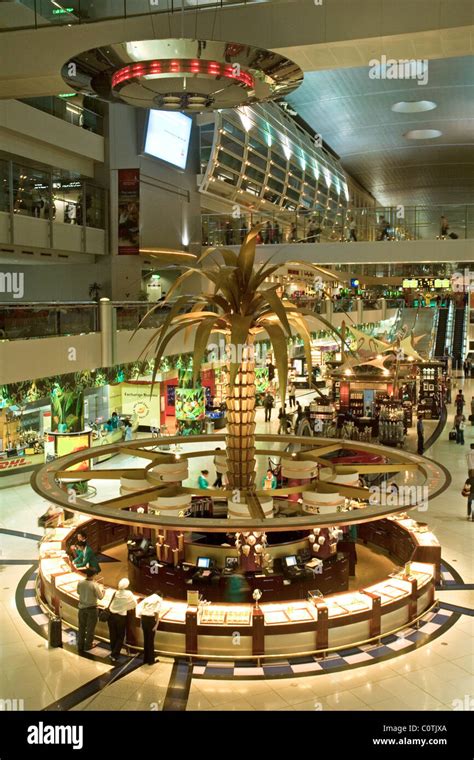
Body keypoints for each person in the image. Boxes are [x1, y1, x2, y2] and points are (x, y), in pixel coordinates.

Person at [107, 578, 137, 662]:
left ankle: (113, 652)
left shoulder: (116, 593)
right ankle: (115, 654)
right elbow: (134, 604)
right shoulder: (129, 594)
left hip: (111, 616)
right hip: (120, 617)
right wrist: (125, 607)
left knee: (112, 635)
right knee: (120, 636)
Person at [77, 568, 104, 655]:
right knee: (90, 629)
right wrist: (104, 592)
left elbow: (78, 592)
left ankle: (80, 644)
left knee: (81, 627)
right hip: (92, 609)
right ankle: (88, 645)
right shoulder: (94, 585)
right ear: (94, 575)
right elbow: (100, 597)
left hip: (81, 608)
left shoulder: (80, 582)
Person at [136, 593, 162, 665]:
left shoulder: (147, 599)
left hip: (144, 620)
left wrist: (141, 623)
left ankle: (145, 659)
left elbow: (140, 611)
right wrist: (157, 624)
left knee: (146, 640)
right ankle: (151, 661)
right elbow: (156, 612)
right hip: (151, 621)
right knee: (150, 641)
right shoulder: (158, 599)